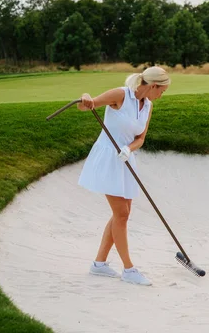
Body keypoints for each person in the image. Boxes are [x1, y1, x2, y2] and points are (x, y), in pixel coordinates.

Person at [76, 66, 170, 286]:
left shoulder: (148, 105)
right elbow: (85, 106)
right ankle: (129, 269)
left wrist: (129, 148)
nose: (161, 95)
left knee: (123, 213)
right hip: (108, 157)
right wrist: (86, 98)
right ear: (153, 85)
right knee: (122, 214)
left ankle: (99, 264)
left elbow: (141, 138)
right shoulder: (121, 94)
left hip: (124, 158)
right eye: (162, 90)